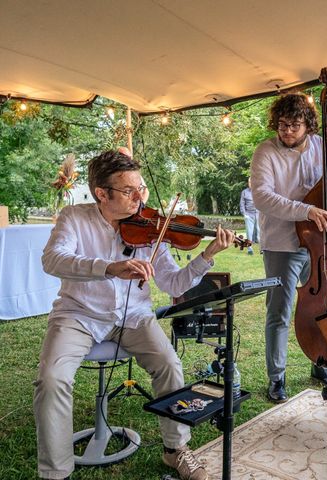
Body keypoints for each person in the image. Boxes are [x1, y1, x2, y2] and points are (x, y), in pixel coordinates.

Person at [36, 150, 236, 480]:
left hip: (134, 316)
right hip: (78, 314)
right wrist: (109, 268)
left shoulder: (149, 228)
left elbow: (173, 281)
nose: (139, 197)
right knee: (52, 378)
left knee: (169, 363)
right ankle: (55, 472)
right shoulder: (74, 217)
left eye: (140, 187)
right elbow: (52, 260)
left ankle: (176, 450)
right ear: (102, 193)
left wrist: (208, 254)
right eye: (129, 191)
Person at [250, 93, 327, 403]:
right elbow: (262, 197)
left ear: (308, 125)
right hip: (281, 243)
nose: (287, 132)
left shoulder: (319, 145)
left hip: (319, 243)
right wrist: (307, 211)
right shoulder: (265, 152)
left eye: (295, 125)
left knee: (323, 308)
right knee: (280, 312)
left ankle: (321, 362)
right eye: (282, 125)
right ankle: (277, 376)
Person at [239, 176, 259, 254]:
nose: (250, 184)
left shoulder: (258, 191)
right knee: (249, 231)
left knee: (260, 231)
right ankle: (250, 248)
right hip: (248, 214)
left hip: (258, 213)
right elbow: (242, 204)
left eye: (252, 182)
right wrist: (244, 214)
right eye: (249, 182)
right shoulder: (244, 192)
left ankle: (262, 249)